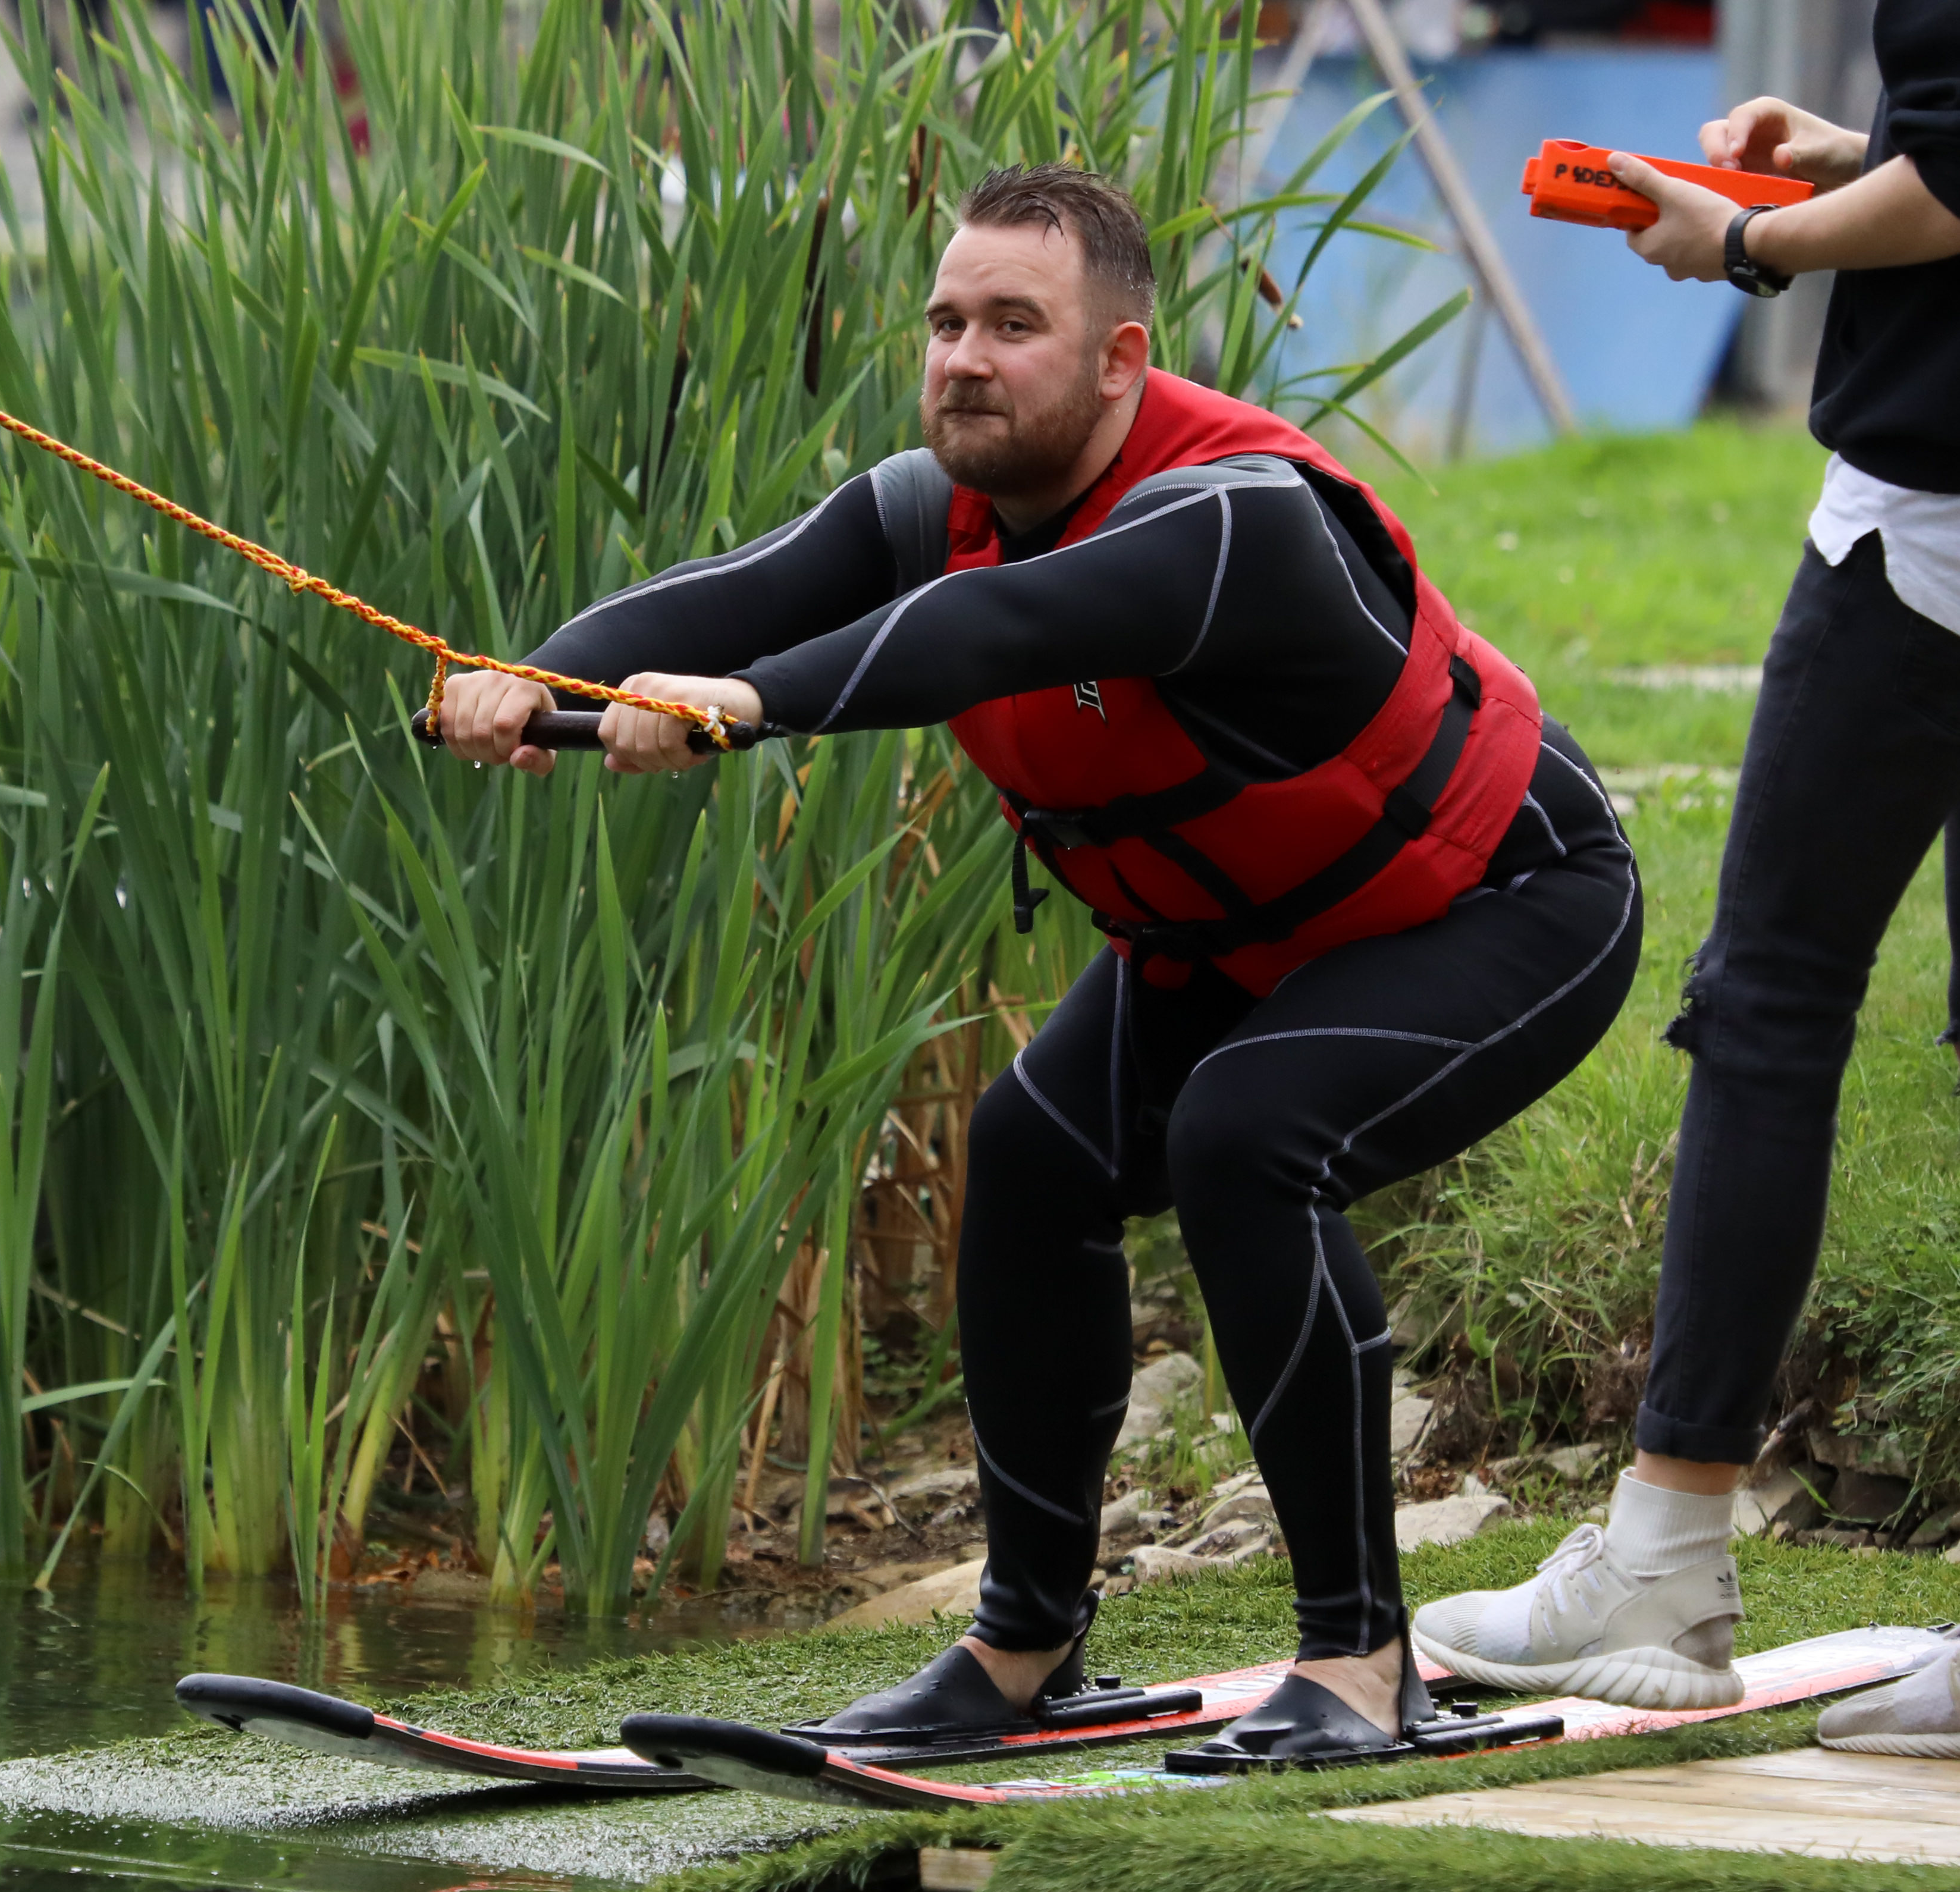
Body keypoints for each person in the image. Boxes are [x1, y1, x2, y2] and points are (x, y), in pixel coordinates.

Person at [437, 164, 1641, 1769]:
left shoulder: (1238, 520)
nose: (965, 359)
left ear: (1123, 360)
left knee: (1246, 1137)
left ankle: (1362, 1665)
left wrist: (744, 706)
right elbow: (740, 592)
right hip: (1243, 935)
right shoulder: (928, 506)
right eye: (947, 323)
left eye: (1015, 325)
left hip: (1504, 905)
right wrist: (524, 678)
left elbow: (987, 636)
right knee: (1028, 1154)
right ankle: (1025, 1645)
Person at [1413, 3, 1960, 1748]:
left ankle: (1663, 1560)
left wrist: (1745, 239)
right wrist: (1857, 159)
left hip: (1932, 524)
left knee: (1772, 1001)